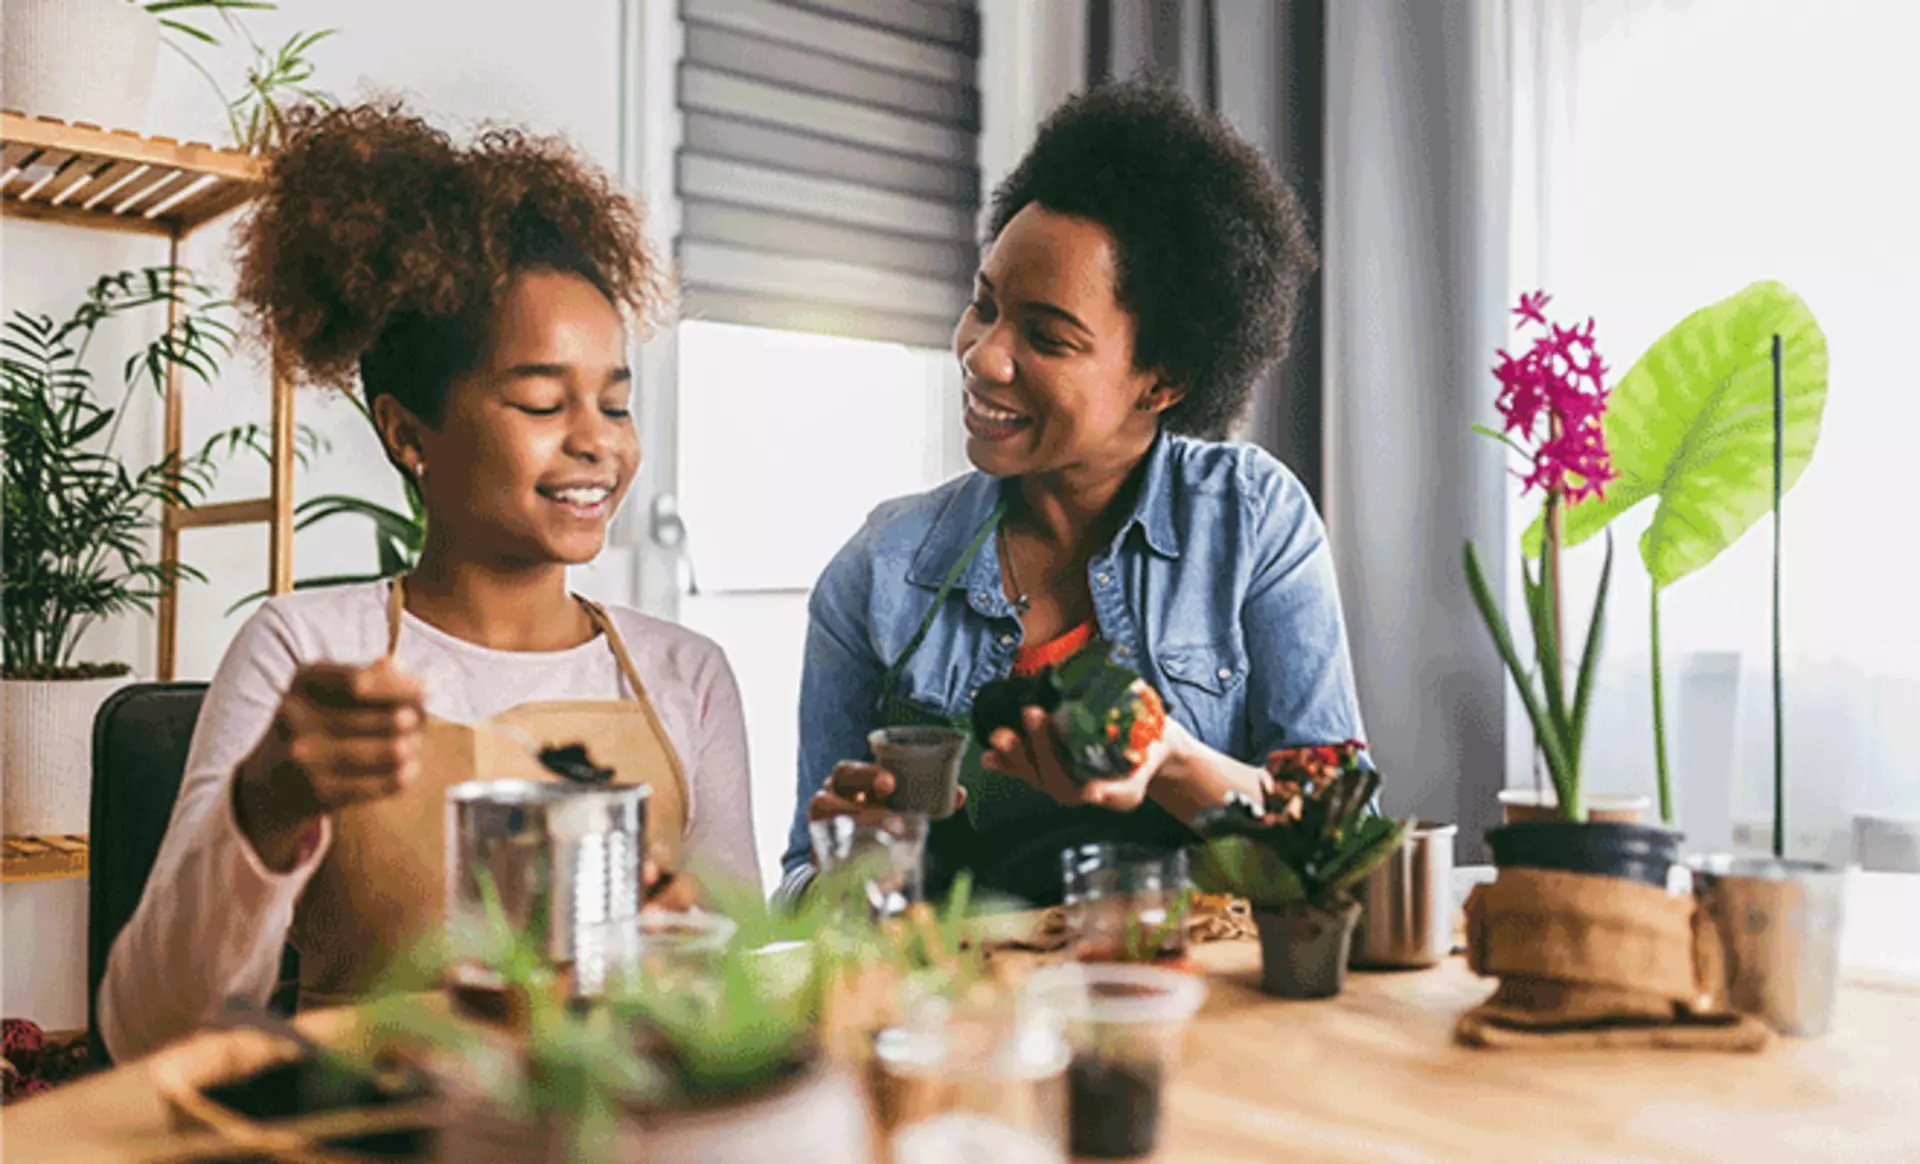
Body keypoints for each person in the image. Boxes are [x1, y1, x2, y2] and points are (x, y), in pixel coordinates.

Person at [100, 103, 758, 1062]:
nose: (599, 441)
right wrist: (269, 803)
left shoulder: (686, 677)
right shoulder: (306, 651)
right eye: (542, 400)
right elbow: (147, 1032)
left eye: (614, 401)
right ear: (407, 433)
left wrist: (694, 941)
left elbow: (752, 1018)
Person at [781, 82, 1365, 906]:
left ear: (1162, 380)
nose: (983, 356)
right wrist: (849, 871)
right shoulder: (880, 569)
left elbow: (1340, 842)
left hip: (1193, 1007)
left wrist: (1169, 762)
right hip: (972, 1021)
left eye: (1048, 337)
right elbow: (800, 884)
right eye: (984, 305)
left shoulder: (1251, 524)